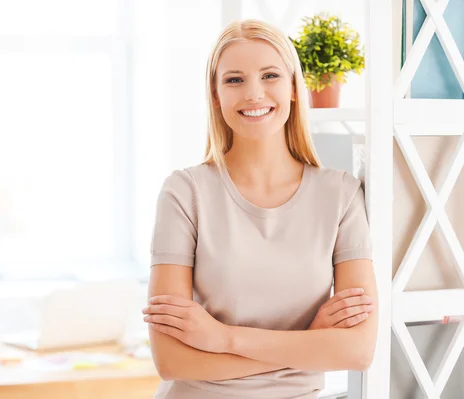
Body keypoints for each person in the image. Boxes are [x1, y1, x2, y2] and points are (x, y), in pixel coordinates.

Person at [142, 19, 378, 399]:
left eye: (270, 75)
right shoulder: (185, 192)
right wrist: (309, 344)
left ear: (294, 88)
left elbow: (357, 350)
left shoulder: (341, 196)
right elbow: (172, 361)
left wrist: (222, 338)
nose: (254, 94)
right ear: (216, 96)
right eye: (234, 80)